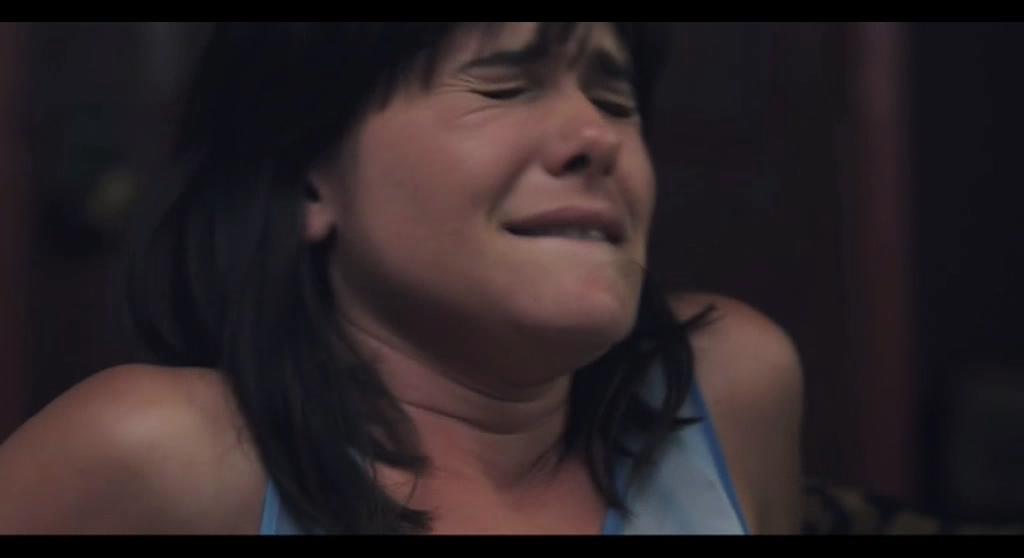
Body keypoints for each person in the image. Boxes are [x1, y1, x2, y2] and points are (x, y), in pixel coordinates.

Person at [0, 22, 803, 534]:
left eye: (615, 99)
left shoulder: (726, 387)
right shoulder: (159, 456)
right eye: (504, 86)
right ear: (310, 179)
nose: (596, 137)